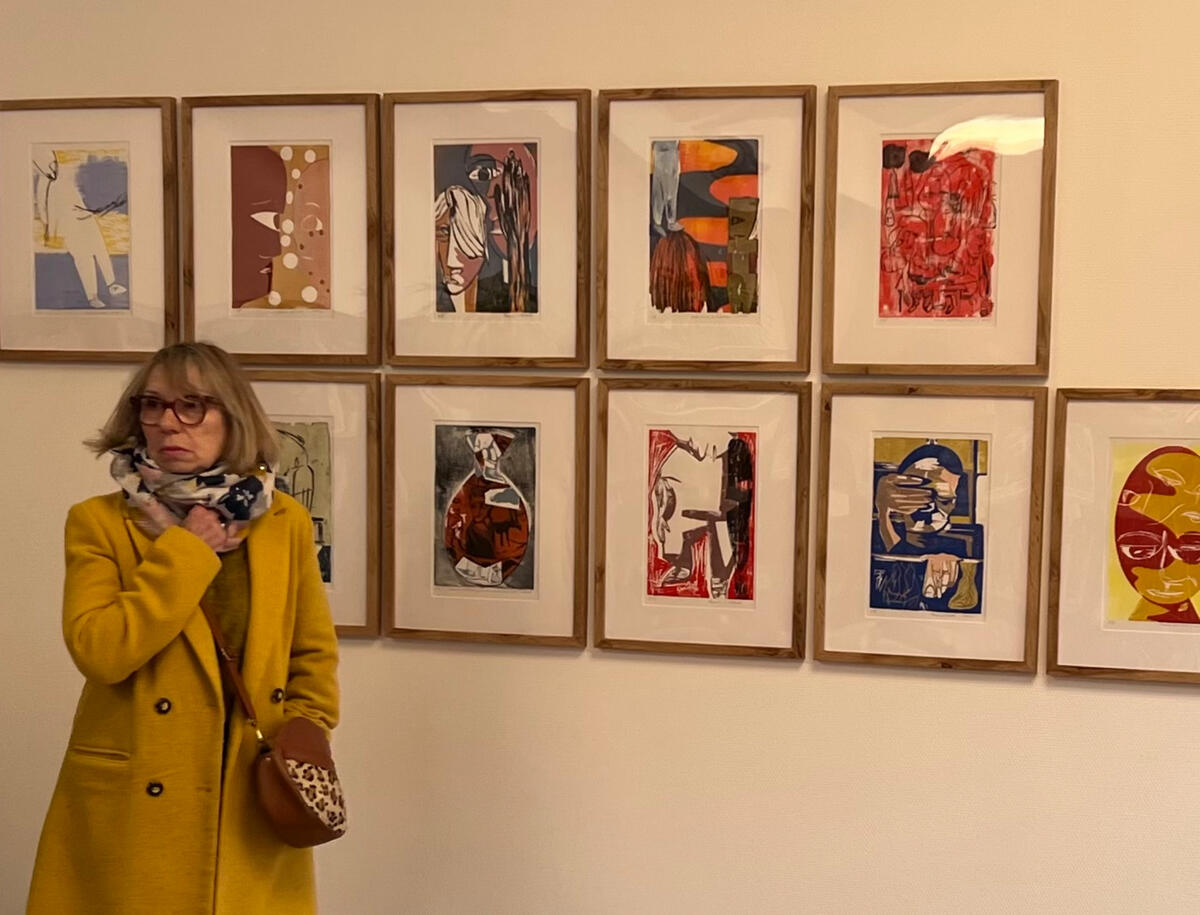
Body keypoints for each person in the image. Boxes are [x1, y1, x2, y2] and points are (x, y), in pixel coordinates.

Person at [26, 342, 339, 914]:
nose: (168, 422)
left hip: (248, 787)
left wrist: (302, 735)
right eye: (153, 404)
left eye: (192, 405)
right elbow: (101, 651)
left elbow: (312, 653)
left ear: (233, 417)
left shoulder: (283, 523)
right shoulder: (99, 522)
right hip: (139, 793)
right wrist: (188, 552)